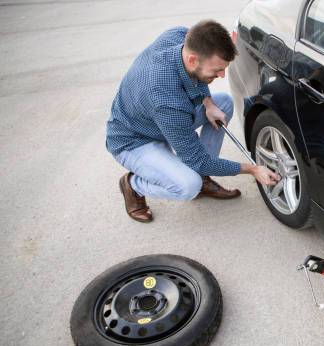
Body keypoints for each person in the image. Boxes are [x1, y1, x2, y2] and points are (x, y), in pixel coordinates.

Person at [106, 20, 280, 223]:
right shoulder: (167, 101)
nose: (222, 74)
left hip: (158, 119)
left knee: (222, 102)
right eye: (216, 70)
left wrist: (208, 103)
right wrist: (252, 169)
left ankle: (203, 178)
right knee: (188, 185)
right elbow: (198, 160)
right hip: (134, 140)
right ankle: (133, 185)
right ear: (192, 59)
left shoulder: (179, 36)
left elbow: (197, 76)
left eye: (223, 69)